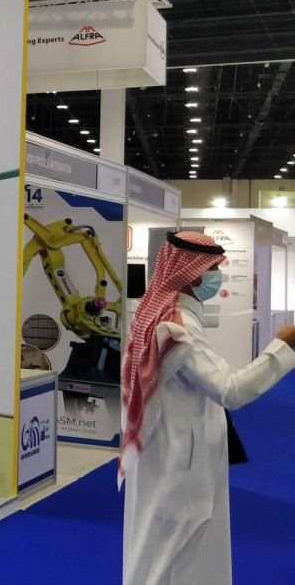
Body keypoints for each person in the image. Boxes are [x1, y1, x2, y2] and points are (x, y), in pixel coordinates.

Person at [120, 230, 295, 583]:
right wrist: (283, 348)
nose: (218, 276)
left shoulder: (159, 316)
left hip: (167, 449)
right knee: (172, 553)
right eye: (214, 268)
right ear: (192, 274)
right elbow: (230, 390)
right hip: (179, 459)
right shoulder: (177, 329)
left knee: (162, 546)